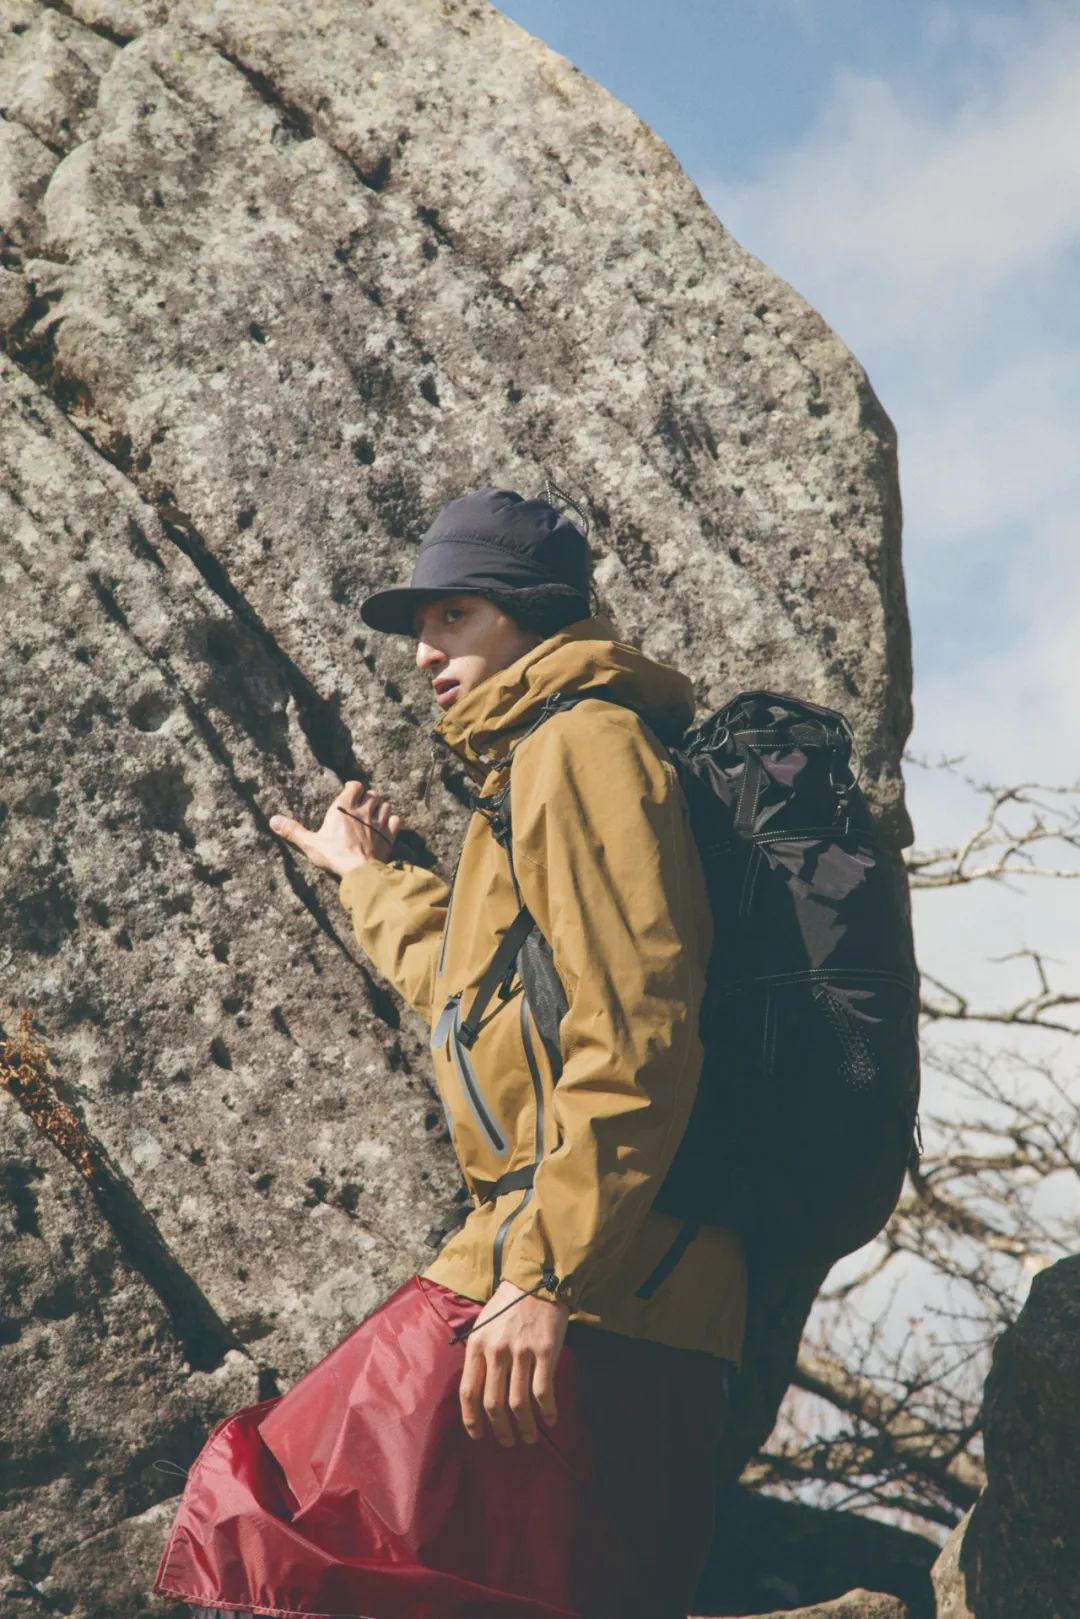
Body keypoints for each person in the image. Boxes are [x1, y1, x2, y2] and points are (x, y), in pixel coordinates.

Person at [152, 486, 747, 1619]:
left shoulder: (584, 744)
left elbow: (639, 1021)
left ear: (526, 613)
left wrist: (543, 1273)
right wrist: (370, 880)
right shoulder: (523, 767)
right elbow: (471, 995)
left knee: (269, 1517)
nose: (425, 652)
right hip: (594, 1284)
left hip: (592, 1287)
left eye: (454, 616)